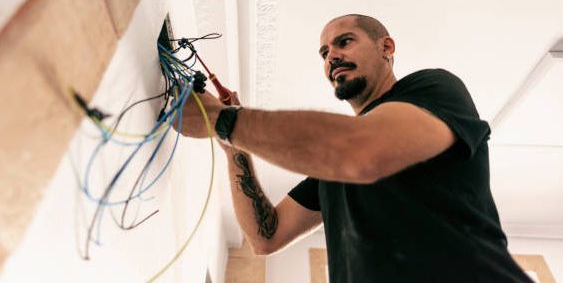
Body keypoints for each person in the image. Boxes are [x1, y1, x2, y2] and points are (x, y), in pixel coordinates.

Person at [177, 14, 533, 282]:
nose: (331, 56)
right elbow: (266, 237)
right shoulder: (332, 169)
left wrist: (225, 119)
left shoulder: (433, 88)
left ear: (386, 47)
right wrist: (232, 146)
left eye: (344, 42)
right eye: (324, 52)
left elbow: (359, 151)